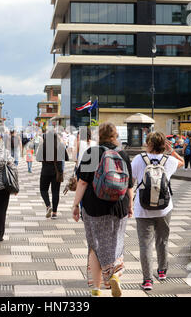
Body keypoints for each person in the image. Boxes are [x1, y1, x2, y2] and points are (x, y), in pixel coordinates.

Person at [71, 122, 133, 297]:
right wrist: (130, 205)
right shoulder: (122, 154)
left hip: (93, 206)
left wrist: (75, 205)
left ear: (100, 136)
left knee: (94, 246)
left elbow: (82, 182)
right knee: (117, 244)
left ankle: (96, 289)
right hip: (118, 205)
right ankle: (115, 275)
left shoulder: (92, 153)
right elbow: (129, 185)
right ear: (115, 136)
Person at [131, 131, 184, 291]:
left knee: (145, 244)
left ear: (149, 144)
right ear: (163, 145)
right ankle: (162, 271)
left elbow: (131, 182)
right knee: (163, 240)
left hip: (142, 208)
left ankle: (147, 280)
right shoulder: (169, 160)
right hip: (164, 208)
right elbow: (182, 161)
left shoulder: (139, 159)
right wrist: (171, 150)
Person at [36, 130, 69, 219]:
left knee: (43, 190)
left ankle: (48, 205)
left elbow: (38, 159)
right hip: (57, 172)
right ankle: (54, 213)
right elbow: (66, 158)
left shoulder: (43, 146)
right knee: (55, 192)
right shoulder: (60, 145)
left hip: (45, 172)